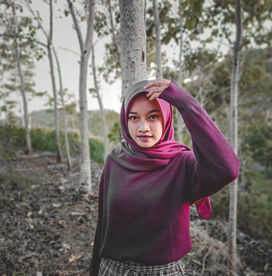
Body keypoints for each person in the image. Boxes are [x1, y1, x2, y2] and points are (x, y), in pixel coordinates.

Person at [90, 78, 240, 276]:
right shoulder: (116, 159)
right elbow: (103, 223)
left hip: (161, 272)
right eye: (134, 118)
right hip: (112, 269)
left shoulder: (182, 163)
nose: (143, 127)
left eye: (153, 117)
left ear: (166, 118)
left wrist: (185, 104)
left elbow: (227, 169)